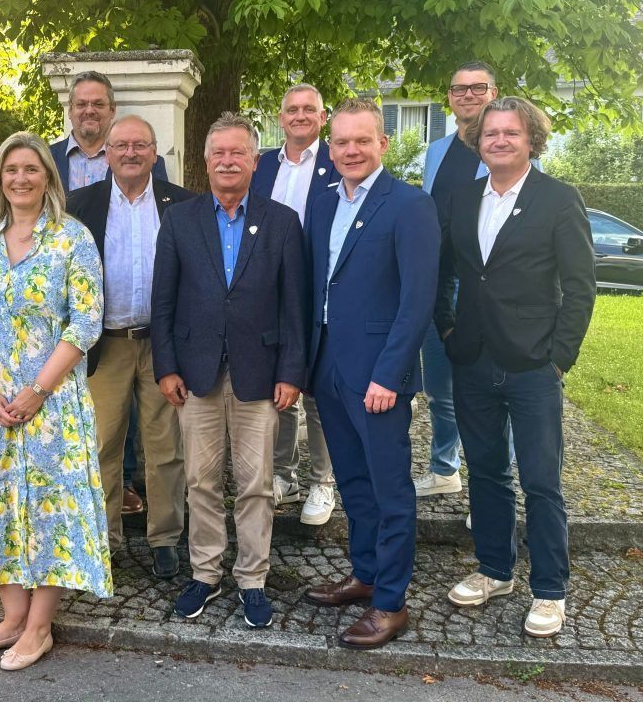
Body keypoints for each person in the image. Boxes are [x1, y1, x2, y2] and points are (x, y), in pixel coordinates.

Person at [0, 131, 110, 671]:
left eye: (31, 169)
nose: (21, 178)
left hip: (51, 402)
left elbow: (86, 322)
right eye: (11, 169)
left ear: (48, 178)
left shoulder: (72, 239)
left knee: (51, 508)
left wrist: (37, 390)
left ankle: (39, 628)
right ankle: (13, 617)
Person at [436, 97, 595, 637]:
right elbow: (445, 273)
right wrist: (448, 328)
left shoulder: (558, 199)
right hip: (473, 358)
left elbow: (580, 286)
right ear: (478, 142)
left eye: (511, 133)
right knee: (485, 472)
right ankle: (494, 570)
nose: (499, 141)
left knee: (541, 481)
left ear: (532, 140)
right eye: (491, 134)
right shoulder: (461, 198)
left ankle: (549, 590)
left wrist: (559, 358)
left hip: (533, 365)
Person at [152, 112, 305, 629]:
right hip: (195, 374)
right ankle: (205, 573)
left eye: (238, 152)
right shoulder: (180, 219)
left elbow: (294, 306)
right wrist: (166, 366)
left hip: (260, 373)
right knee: (200, 480)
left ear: (255, 161)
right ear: (206, 161)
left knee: (257, 482)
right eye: (219, 153)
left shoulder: (282, 221)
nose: (228, 161)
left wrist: (291, 372)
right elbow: (163, 300)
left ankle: (253, 579)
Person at [302, 98, 439, 649]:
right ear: (330, 148)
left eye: (362, 140)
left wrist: (390, 374)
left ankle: (391, 602)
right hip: (329, 366)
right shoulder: (322, 203)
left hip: (378, 375)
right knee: (353, 482)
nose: (351, 150)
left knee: (389, 489)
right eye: (341, 142)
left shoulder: (410, 205)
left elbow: (417, 300)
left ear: (383, 143)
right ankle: (365, 575)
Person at [67, 115, 193, 578]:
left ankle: (165, 538)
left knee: (165, 447)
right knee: (102, 443)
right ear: (108, 154)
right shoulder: (80, 205)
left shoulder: (181, 204)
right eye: (121, 145)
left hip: (163, 344)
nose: (131, 153)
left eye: (140, 145)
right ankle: (104, 540)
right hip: (106, 344)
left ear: (154, 153)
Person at [249, 83, 340, 525]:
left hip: (320, 287)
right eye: (292, 109)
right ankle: (283, 474)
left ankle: (323, 480)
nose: (300, 116)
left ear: (322, 117)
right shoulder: (263, 164)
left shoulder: (337, 161)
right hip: (269, 289)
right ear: (281, 118)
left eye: (309, 109)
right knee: (278, 384)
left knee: (318, 390)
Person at [415, 61, 498, 498]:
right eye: (458, 89)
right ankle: (444, 468)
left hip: (484, 291)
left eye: (477, 88)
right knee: (439, 389)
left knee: (487, 393)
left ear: (493, 93)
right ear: (448, 97)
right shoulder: (437, 151)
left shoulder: (504, 147)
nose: (467, 95)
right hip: (437, 287)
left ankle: (492, 490)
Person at [49, 70, 168, 193]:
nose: (89, 111)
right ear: (70, 110)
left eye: (98, 104)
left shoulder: (148, 162)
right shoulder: (46, 158)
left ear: (112, 110)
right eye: (81, 104)